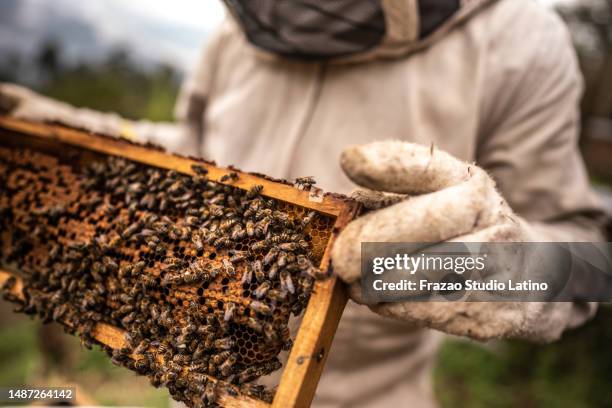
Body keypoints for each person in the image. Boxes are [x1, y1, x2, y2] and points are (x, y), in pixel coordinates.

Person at [0, 0, 608, 406]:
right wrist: (63, 130)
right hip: (199, 379)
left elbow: (591, 268)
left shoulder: (521, 41)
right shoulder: (232, 40)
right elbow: (194, 163)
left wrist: (508, 269)